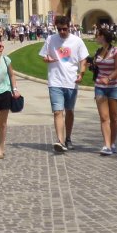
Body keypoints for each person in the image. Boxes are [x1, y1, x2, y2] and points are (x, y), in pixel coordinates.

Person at [39, 15, 89, 152]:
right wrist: (47, 59)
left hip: (71, 81)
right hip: (55, 81)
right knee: (57, 111)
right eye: (59, 29)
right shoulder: (50, 39)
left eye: (64, 29)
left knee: (69, 111)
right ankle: (60, 141)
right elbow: (44, 56)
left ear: (69, 27)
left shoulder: (77, 41)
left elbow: (83, 59)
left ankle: (68, 138)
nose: (62, 31)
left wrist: (81, 73)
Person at [92, 26, 117, 155]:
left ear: (102, 37)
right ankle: (107, 145)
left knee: (114, 117)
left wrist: (109, 78)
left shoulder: (116, 51)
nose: (95, 38)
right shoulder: (98, 51)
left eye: (97, 35)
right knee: (104, 117)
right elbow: (96, 67)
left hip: (114, 87)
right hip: (100, 87)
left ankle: (112, 143)